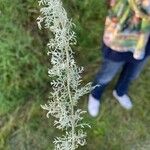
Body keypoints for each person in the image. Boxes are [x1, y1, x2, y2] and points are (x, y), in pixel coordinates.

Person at [88, 0, 150, 117]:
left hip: (145, 40)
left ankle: (120, 92)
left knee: (133, 72)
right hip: (122, 34)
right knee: (108, 73)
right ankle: (95, 94)